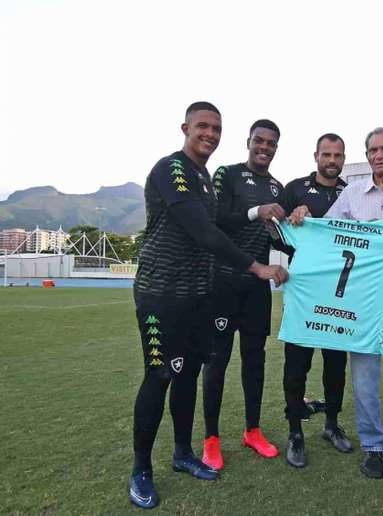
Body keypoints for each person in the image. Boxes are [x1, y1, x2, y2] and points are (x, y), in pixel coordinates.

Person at [129, 103, 288, 509]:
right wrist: (255, 266)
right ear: (186, 127)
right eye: (203, 126)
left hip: (200, 294)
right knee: (161, 373)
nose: (210, 134)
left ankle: (183, 453)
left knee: (187, 375)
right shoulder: (173, 169)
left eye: (216, 128)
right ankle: (141, 471)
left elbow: (229, 224)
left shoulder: (204, 179)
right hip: (160, 293)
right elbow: (205, 231)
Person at [291, 127, 383, 479]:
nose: (380, 155)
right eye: (373, 150)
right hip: (363, 304)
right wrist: (301, 216)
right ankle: (373, 447)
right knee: (365, 378)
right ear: (367, 155)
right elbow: (325, 233)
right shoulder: (353, 194)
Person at [201, 119, 289, 471]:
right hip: (222, 283)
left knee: (255, 360)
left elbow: (276, 237)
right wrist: (257, 211)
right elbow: (215, 218)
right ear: (249, 142)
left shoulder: (278, 187)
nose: (264, 147)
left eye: (271, 143)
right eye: (259, 141)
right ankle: (211, 439)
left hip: (257, 288)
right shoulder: (227, 174)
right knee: (216, 361)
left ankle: (252, 431)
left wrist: (292, 229)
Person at [279, 133, 353, 468]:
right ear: (316, 156)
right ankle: (295, 432)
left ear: (343, 158)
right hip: (304, 292)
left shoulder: (350, 192)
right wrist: (295, 220)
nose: (332, 160)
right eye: (327, 154)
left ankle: (332, 425)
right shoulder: (295, 189)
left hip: (339, 294)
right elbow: (275, 233)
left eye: (338, 155)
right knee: (297, 364)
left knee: (336, 365)